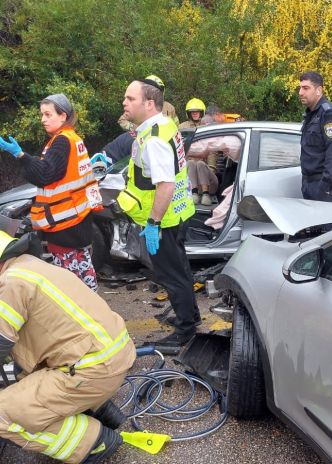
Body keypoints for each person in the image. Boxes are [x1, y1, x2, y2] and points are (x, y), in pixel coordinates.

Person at [0, 227, 135, 464]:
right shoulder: (31, 266)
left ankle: (93, 442)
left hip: (90, 370)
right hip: (112, 356)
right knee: (28, 378)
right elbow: (9, 342)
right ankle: (98, 410)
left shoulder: (9, 285)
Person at [119, 78, 200, 351]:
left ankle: (186, 332)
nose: (124, 103)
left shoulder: (153, 138)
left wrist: (153, 222)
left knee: (172, 276)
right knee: (180, 271)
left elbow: (165, 184)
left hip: (164, 220)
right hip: (178, 214)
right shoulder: (165, 125)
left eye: (130, 99)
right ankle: (191, 317)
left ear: (149, 103)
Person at [0, 94, 103, 292]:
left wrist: (21, 156)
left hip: (65, 224)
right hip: (77, 219)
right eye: (42, 114)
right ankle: (92, 310)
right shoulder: (72, 139)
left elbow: (44, 174)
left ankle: (80, 314)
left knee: (70, 283)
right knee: (83, 274)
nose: (43, 119)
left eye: (48, 114)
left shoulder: (61, 141)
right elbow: (55, 171)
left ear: (63, 116)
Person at [298, 71, 332, 203]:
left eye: (306, 88)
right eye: (300, 88)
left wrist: (324, 187)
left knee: (326, 224)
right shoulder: (311, 114)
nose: (301, 92)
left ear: (318, 90)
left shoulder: (329, 114)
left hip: (324, 187)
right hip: (310, 183)